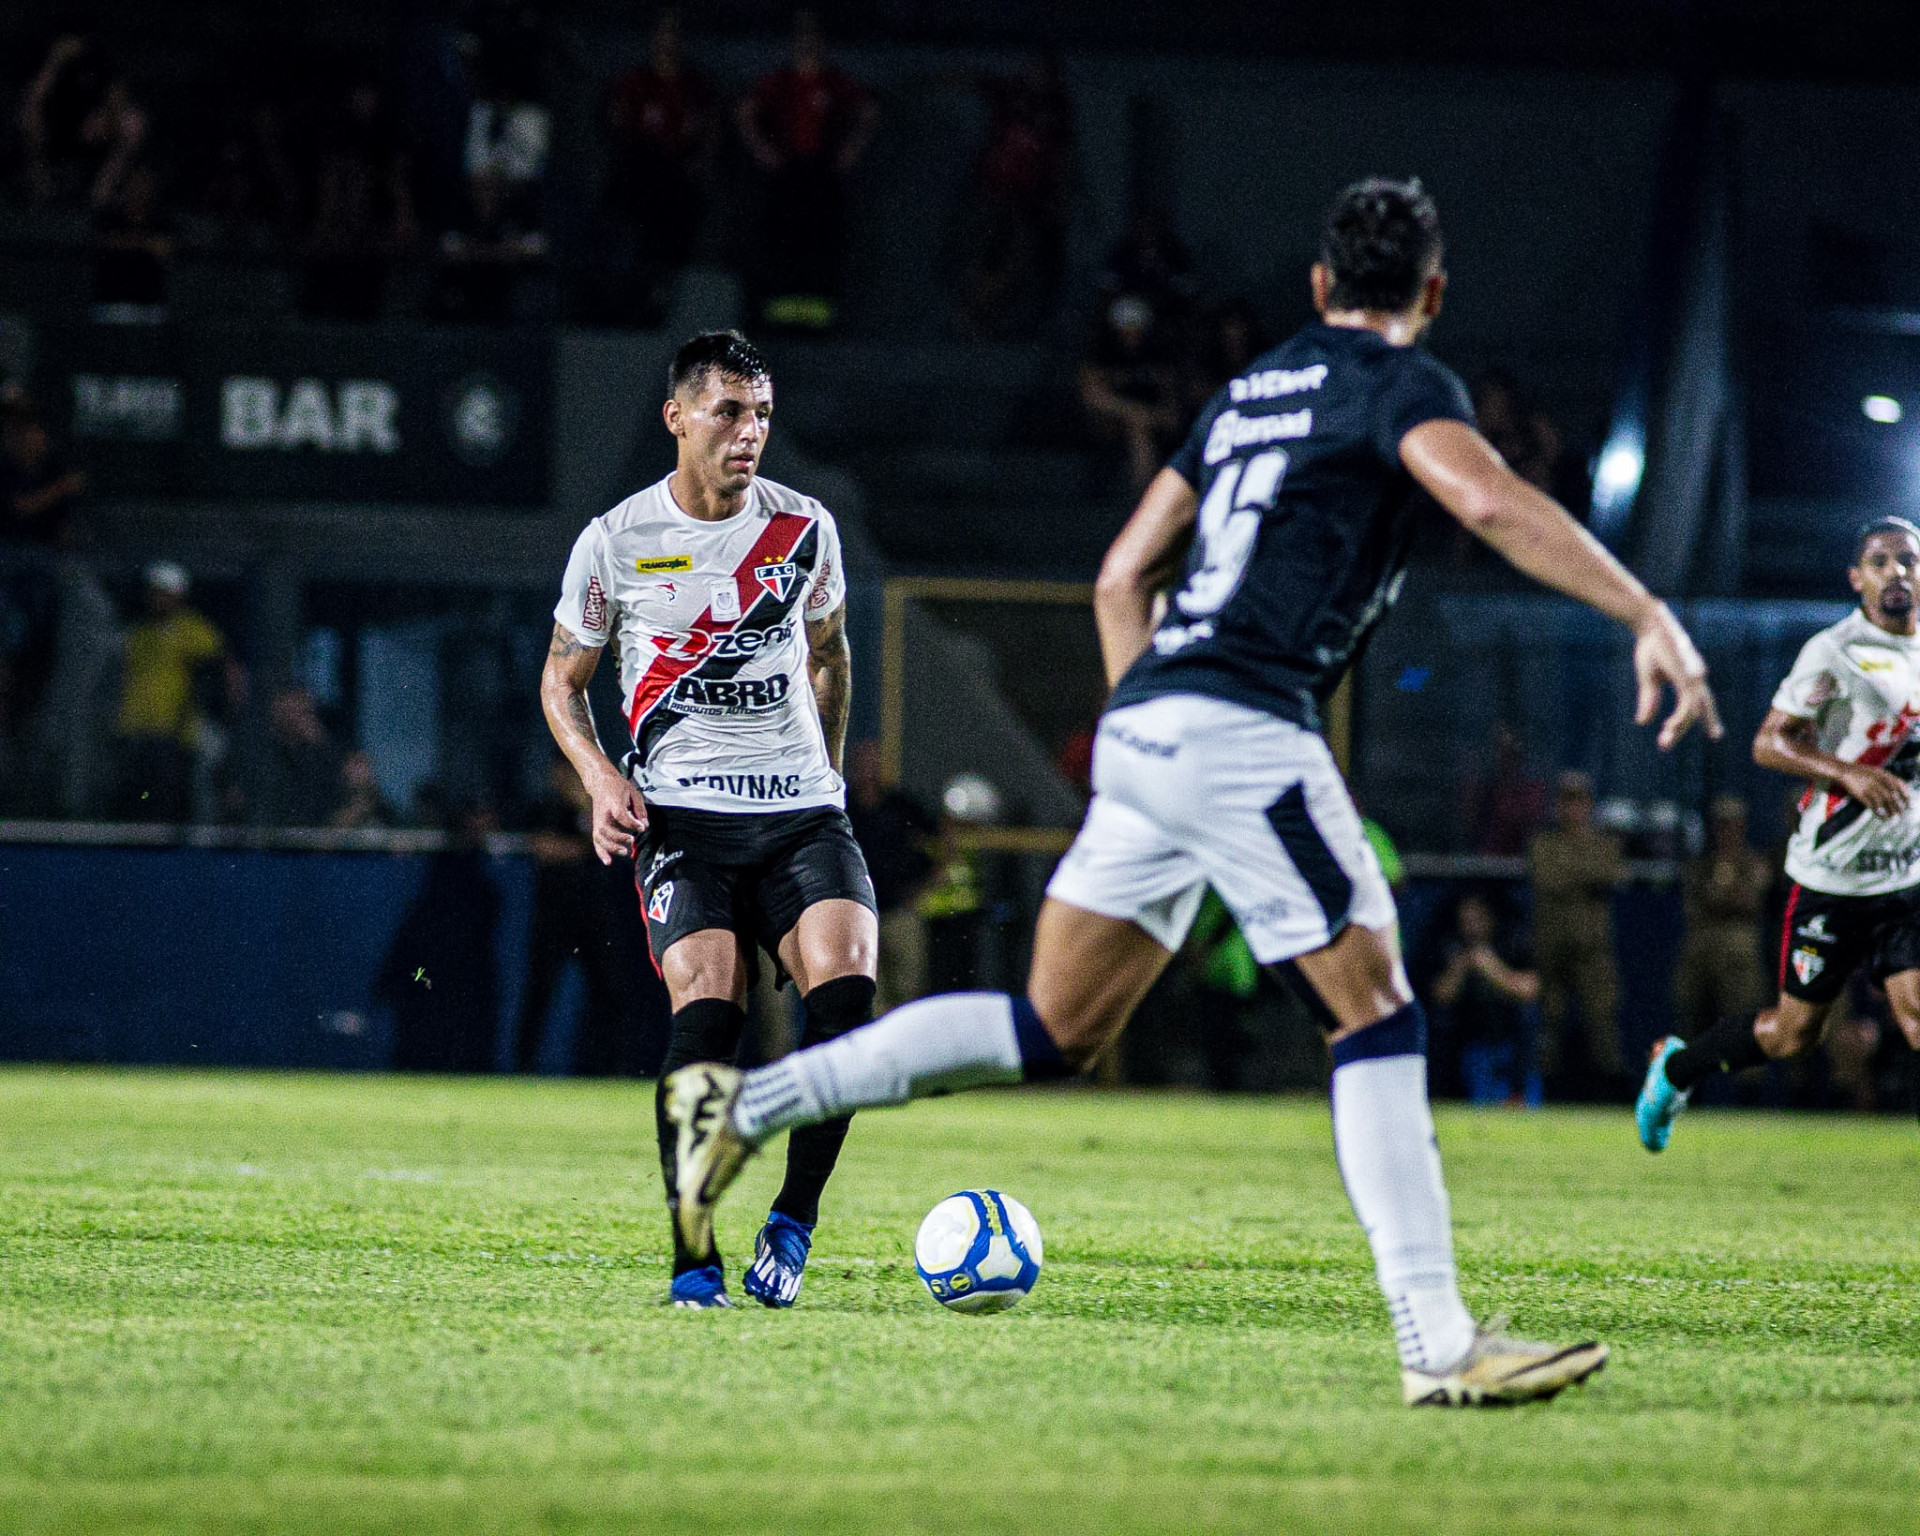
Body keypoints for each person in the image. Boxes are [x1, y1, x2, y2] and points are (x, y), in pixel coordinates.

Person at [666, 177, 1720, 1405]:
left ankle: (748, 1104)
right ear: (1430, 295)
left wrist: (1143, 741)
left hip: (1153, 716)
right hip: (1243, 719)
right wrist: (1645, 609)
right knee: (1376, 1006)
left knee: (1052, 1031)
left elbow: (1123, 575)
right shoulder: (1403, 385)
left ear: (1321, 289)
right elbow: (1484, 499)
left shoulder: (1245, 393)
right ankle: (1440, 1347)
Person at [540, 329, 877, 1310]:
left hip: (801, 811)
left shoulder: (805, 528)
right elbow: (564, 685)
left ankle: (794, 1221)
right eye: (729, 411)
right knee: (713, 1009)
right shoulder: (617, 541)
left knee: (847, 999)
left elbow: (830, 656)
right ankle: (695, 1254)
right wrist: (603, 780)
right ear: (677, 416)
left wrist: (830, 768)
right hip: (684, 817)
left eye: (762, 413)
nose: (750, 433)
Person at [1638, 517, 1920, 1149]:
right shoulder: (1836, 651)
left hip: (1906, 877)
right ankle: (1678, 1067)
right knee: (1795, 1036)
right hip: (1833, 879)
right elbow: (1769, 743)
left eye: (1908, 559)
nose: (1897, 572)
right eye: (1880, 561)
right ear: (1857, 578)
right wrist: (1845, 774)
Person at [736, 10, 877, 329]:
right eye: (802, 36)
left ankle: (818, 314)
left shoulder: (834, 81)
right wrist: (762, 148)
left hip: (823, 174)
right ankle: (779, 311)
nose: (808, 43)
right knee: (783, 238)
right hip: (788, 174)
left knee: (823, 239)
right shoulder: (781, 80)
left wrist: (852, 147)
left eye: (813, 36)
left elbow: (869, 111)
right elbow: (744, 111)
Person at [604, 9, 718, 308]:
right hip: (641, 179)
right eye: (664, 33)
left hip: (677, 181)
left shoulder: (694, 87)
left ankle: (667, 291)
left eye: (675, 34)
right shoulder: (636, 81)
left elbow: (707, 136)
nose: (669, 40)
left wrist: (697, 164)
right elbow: (618, 126)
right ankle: (630, 296)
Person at [115, 562, 243, 823]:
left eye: (162, 592)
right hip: (134, 731)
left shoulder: (195, 630)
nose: (155, 598)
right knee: (135, 799)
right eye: (153, 591)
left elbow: (223, 673)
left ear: (177, 595)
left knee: (172, 798)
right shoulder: (139, 632)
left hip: (177, 735)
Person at [1527, 770, 1625, 1094]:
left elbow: (1612, 874)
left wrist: (1574, 871)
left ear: (1589, 805)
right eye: (1566, 801)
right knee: (1548, 1029)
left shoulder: (1605, 843)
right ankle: (1543, 1097)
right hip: (1552, 950)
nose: (1572, 809)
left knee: (1603, 1029)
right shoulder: (1543, 843)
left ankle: (1611, 1099)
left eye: (1579, 801)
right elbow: (1545, 876)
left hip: (1593, 952)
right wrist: (1584, 874)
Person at [843, 739, 936, 1013]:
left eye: (874, 761)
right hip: (859, 915)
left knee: (909, 989)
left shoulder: (901, 806)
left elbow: (942, 839)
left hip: (900, 910)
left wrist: (925, 885)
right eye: (863, 761)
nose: (868, 768)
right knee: (870, 992)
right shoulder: (844, 807)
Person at [1671, 794, 1772, 1042]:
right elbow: (1692, 905)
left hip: (1739, 955)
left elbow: (1750, 901)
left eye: (1732, 824)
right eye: (1721, 824)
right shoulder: (1699, 866)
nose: (1726, 831)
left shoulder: (1755, 863)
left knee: (1744, 1029)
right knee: (1690, 1025)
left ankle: (1749, 1081)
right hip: (1700, 953)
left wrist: (1719, 896)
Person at [1430, 890, 1539, 1105]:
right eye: (1466, 920)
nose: (1471, 927)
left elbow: (1531, 990)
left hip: (1509, 1032)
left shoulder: (1512, 939)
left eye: (1477, 919)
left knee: (1529, 1017)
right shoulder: (1451, 943)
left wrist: (1492, 969)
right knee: (1441, 1022)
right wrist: (1461, 967)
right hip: (1472, 1036)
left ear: (1490, 918)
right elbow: (1440, 996)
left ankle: (1517, 1098)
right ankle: (1443, 1098)